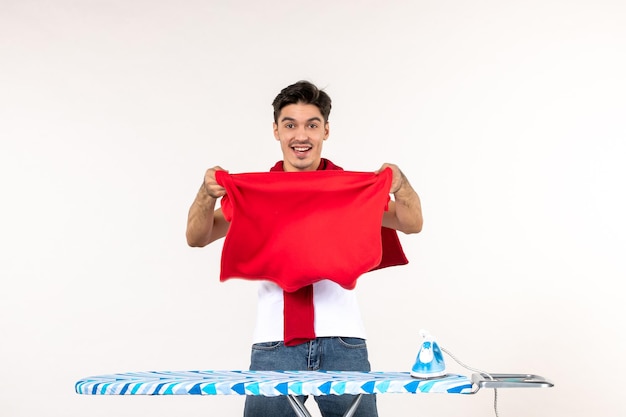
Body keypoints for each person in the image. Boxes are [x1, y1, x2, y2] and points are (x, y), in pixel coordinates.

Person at [185, 80, 423, 417]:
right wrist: (206, 194)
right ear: (276, 131)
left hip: (343, 342)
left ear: (326, 130)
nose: (301, 135)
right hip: (274, 344)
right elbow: (198, 236)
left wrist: (401, 185)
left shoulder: (350, 191)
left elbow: (411, 223)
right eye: (290, 125)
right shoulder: (258, 193)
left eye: (312, 125)